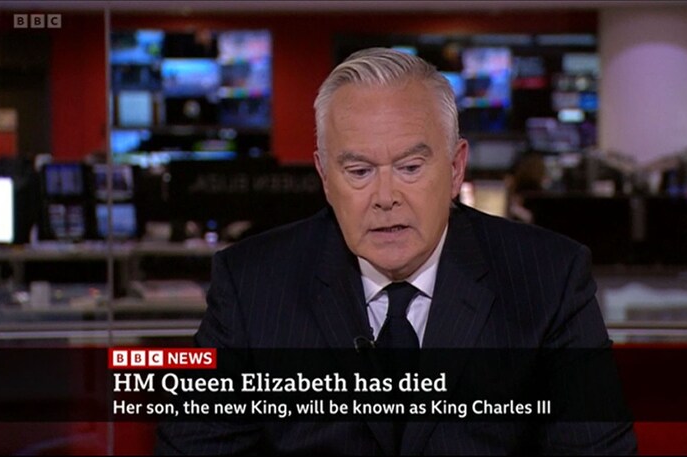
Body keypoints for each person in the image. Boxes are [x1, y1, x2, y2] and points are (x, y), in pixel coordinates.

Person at [156, 48, 636, 455]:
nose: (385, 198)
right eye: (359, 171)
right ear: (325, 177)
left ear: (455, 168)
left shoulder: (547, 279)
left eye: (409, 167)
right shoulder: (253, 284)